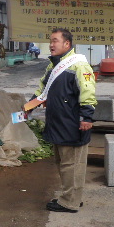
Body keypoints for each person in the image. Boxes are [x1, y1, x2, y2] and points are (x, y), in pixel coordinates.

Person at [25, 28, 97, 213]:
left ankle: (69, 202)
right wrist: (28, 107)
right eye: (50, 41)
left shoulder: (79, 65)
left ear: (67, 44)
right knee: (64, 164)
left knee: (72, 165)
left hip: (73, 123)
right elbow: (42, 90)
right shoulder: (53, 66)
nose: (51, 44)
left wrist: (86, 117)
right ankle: (72, 197)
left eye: (55, 41)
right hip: (58, 122)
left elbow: (87, 92)